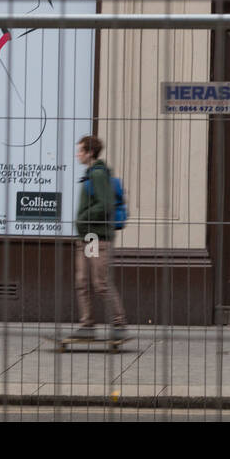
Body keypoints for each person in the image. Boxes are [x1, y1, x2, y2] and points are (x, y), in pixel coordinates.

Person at [73, 135, 128, 339]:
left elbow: (105, 204)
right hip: (89, 237)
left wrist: (84, 216)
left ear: (89, 153)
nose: (77, 154)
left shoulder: (97, 174)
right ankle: (87, 325)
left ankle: (118, 323)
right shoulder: (91, 173)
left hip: (96, 238)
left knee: (100, 282)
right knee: (83, 280)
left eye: (80, 150)